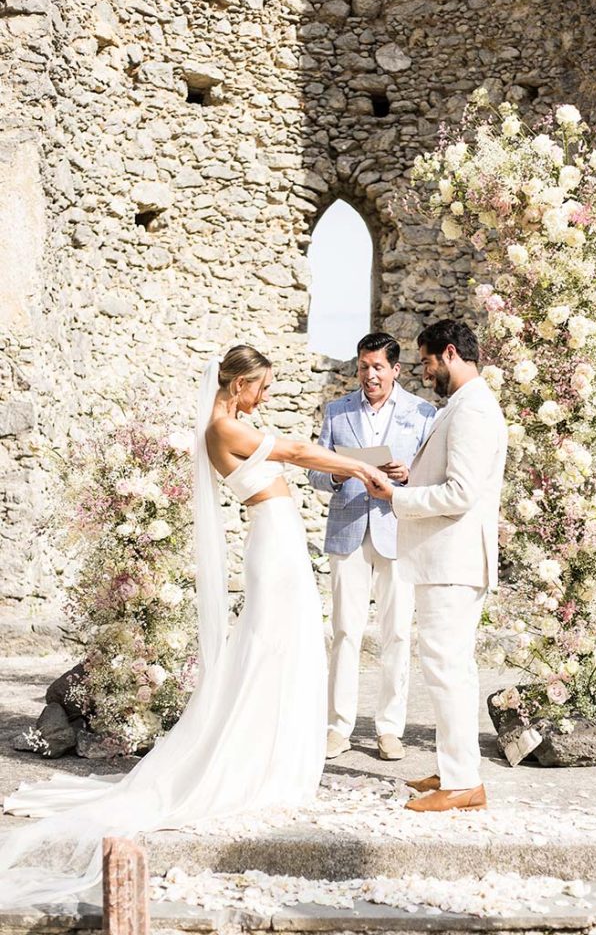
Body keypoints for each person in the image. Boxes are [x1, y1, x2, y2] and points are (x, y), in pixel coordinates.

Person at [0, 345, 383, 908]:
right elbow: (299, 451)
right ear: (237, 386)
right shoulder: (222, 428)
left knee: (287, 647)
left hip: (276, 541)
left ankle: (277, 755)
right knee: (272, 648)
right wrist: (362, 465)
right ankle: (259, 763)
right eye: (262, 386)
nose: (267, 395)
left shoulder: (234, 421)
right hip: (273, 546)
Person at [368, 320, 507, 812]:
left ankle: (464, 784)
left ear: (450, 354)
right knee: (451, 670)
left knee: (447, 670)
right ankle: (455, 769)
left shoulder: (472, 410)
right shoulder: (463, 407)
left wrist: (398, 497)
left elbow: (461, 492)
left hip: (453, 561)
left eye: (427, 362)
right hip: (446, 559)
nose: (425, 373)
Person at [309, 333, 435, 762]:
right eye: (363, 367)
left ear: (396, 370)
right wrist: (340, 474)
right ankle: (338, 726)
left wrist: (407, 475)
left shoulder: (422, 412)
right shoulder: (336, 410)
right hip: (347, 530)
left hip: (397, 530)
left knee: (397, 632)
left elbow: (433, 477)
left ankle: (389, 728)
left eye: (378, 367)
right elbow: (316, 474)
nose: (369, 375)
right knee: (344, 630)